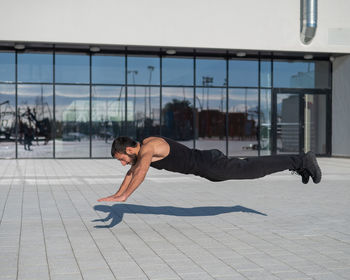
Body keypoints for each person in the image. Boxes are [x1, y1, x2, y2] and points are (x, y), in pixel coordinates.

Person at [98, 136, 322, 202]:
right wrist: (118, 194)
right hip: (207, 167)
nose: (123, 163)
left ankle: (302, 161)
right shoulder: (143, 147)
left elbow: (140, 172)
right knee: (249, 167)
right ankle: (300, 163)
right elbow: (132, 172)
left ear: (129, 149)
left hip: (210, 165)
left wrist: (126, 196)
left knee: (254, 169)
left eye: (122, 158)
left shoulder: (149, 148)